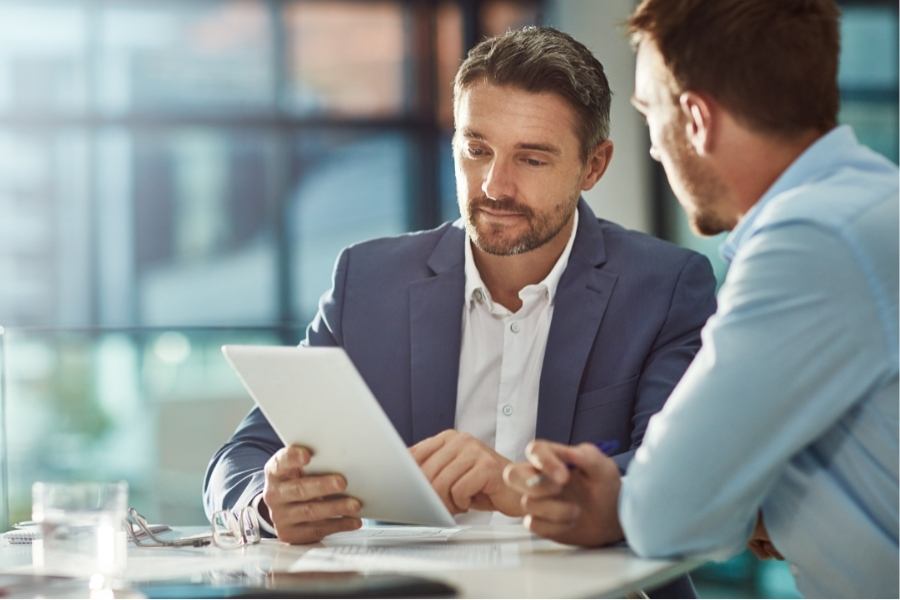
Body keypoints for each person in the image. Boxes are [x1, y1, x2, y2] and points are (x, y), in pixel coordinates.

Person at [204, 26, 716, 590]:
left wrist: (521, 485)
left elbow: (677, 476)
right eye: (477, 150)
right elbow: (243, 456)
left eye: (532, 159)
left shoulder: (665, 287)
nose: (495, 185)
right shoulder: (369, 282)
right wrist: (269, 502)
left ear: (593, 166)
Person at [503, 2, 899, 598]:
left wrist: (627, 500)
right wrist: (757, 505)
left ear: (694, 119)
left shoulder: (810, 239)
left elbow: (667, 512)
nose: (656, 150)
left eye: (649, 115)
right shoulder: (868, 204)